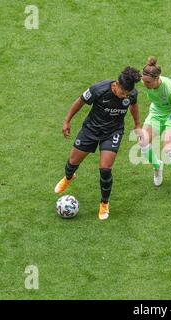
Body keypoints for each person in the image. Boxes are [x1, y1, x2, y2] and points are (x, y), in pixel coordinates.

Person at [54, 67, 142, 220]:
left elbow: (133, 106)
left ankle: (104, 203)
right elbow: (80, 101)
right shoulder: (98, 89)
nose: (124, 97)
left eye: (127, 94)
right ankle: (69, 177)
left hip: (113, 132)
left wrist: (137, 124)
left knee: (105, 169)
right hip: (91, 130)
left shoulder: (131, 94)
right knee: (72, 162)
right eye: (122, 93)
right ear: (116, 84)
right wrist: (67, 121)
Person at [140, 56, 171, 200]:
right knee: (143, 141)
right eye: (144, 81)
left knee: (168, 148)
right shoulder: (147, 80)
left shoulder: (170, 90)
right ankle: (157, 166)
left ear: (157, 78)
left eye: (148, 82)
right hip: (156, 112)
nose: (146, 84)